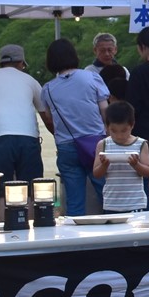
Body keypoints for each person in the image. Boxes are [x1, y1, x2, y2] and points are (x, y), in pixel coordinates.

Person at [40, 38, 110, 216]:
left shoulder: (48, 89)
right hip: (95, 143)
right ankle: (113, 227)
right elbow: (105, 109)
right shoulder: (91, 77)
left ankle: (74, 230)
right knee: (106, 194)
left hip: (66, 146)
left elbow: (49, 118)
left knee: (74, 202)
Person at [0, 43, 49, 182]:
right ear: (21, 62)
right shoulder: (31, 81)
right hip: (29, 139)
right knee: (31, 187)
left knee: (0, 187)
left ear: (0, 62)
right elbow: (46, 116)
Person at [93, 101, 149, 214]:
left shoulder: (141, 144)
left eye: (124, 131)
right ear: (107, 127)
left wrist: (136, 165)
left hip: (135, 203)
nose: (119, 136)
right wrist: (104, 165)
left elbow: (148, 172)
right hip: (111, 203)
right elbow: (96, 174)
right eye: (114, 131)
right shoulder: (103, 144)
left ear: (132, 125)